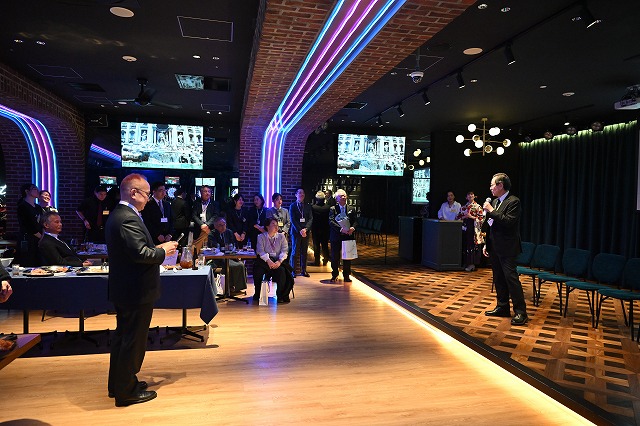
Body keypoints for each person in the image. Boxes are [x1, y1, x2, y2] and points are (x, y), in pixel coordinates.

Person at [106, 173, 178, 406]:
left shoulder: (121, 214)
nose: (148, 198)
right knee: (132, 340)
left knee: (123, 337)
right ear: (133, 192)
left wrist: (156, 247)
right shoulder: (127, 217)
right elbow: (140, 254)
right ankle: (126, 392)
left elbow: (136, 248)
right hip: (135, 290)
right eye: (146, 194)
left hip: (127, 288)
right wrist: (163, 251)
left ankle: (119, 384)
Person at [482, 173, 528, 326]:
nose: (490, 188)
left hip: (508, 248)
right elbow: (491, 225)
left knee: (511, 279)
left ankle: (521, 312)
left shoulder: (513, 201)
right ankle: (502, 307)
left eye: (492, 185)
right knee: (498, 278)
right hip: (494, 246)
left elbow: (508, 222)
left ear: (500, 185)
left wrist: (491, 210)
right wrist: (486, 244)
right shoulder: (495, 201)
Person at [253, 217, 294, 303]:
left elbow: (284, 251)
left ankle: (280, 295)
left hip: (278, 261)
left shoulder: (281, 236)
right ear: (267, 226)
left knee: (282, 271)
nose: (276, 227)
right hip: (265, 262)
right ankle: (257, 293)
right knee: (258, 270)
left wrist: (279, 261)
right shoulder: (261, 237)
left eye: (277, 225)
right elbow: (260, 251)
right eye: (273, 224)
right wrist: (268, 261)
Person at [207, 216, 248, 294]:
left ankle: (238, 288)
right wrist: (225, 247)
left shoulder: (229, 232)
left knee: (241, 265)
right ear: (215, 226)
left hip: (230, 256)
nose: (223, 227)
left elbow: (234, 244)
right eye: (220, 225)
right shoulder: (212, 234)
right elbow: (214, 246)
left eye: (224, 224)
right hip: (218, 258)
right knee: (232, 266)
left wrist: (231, 249)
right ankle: (229, 287)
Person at [329, 189, 357, 283]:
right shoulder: (333, 209)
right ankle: (335, 274)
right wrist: (341, 229)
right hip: (336, 236)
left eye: (344, 196)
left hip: (348, 236)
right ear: (337, 199)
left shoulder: (351, 209)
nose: (344, 197)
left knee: (347, 257)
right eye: (341, 196)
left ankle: (346, 275)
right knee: (335, 257)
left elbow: (355, 221)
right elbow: (331, 221)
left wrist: (353, 228)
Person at [456, 191, 484, 272]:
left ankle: (472, 264)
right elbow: (458, 217)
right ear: (466, 197)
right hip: (464, 227)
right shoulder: (463, 207)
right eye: (468, 195)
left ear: (474, 196)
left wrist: (471, 217)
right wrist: (464, 217)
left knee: (472, 246)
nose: (470, 196)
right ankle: (465, 263)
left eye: (472, 195)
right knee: (465, 245)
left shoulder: (478, 207)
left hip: (473, 228)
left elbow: (481, 219)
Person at [17, 183, 44, 266]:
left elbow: (42, 222)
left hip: (39, 238)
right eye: (34, 189)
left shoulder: (38, 207)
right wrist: (41, 237)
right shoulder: (22, 206)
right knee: (28, 261)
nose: (38, 191)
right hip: (28, 238)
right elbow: (28, 225)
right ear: (27, 191)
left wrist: (43, 235)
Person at [289, 188, 313, 277]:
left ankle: (304, 270)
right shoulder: (293, 206)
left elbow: (310, 218)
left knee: (304, 252)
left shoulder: (308, 206)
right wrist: (300, 230)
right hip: (296, 232)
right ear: (296, 195)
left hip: (305, 232)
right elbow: (292, 219)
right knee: (294, 252)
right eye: (299, 193)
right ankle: (293, 271)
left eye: (303, 193)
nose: (301, 194)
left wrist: (305, 229)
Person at [311, 191, 330, 266]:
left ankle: (317, 261)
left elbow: (312, 219)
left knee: (316, 245)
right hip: (325, 229)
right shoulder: (327, 207)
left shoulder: (313, 207)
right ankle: (326, 259)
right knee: (325, 245)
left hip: (315, 229)